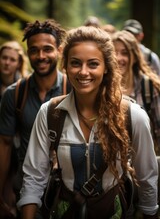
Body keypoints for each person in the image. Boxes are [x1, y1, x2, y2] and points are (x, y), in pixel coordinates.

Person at [18, 26, 158, 218]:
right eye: (75, 63)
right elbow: (34, 177)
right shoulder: (51, 113)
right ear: (65, 65)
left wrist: (149, 212)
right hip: (65, 211)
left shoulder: (133, 116)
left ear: (106, 67)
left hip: (114, 211)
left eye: (93, 64)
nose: (83, 72)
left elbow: (147, 178)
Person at [0, 19, 71, 218]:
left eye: (47, 49)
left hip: (67, 191)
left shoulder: (73, 90)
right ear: (27, 53)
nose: (41, 56)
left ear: (59, 50)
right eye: (34, 50)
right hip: (26, 190)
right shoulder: (14, 95)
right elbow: (4, 145)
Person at [112, 30, 160, 155]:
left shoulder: (149, 87)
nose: (118, 58)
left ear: (134, 57)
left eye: (124, 53)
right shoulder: (103, 88)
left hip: (145, 159)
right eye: (114, 53)